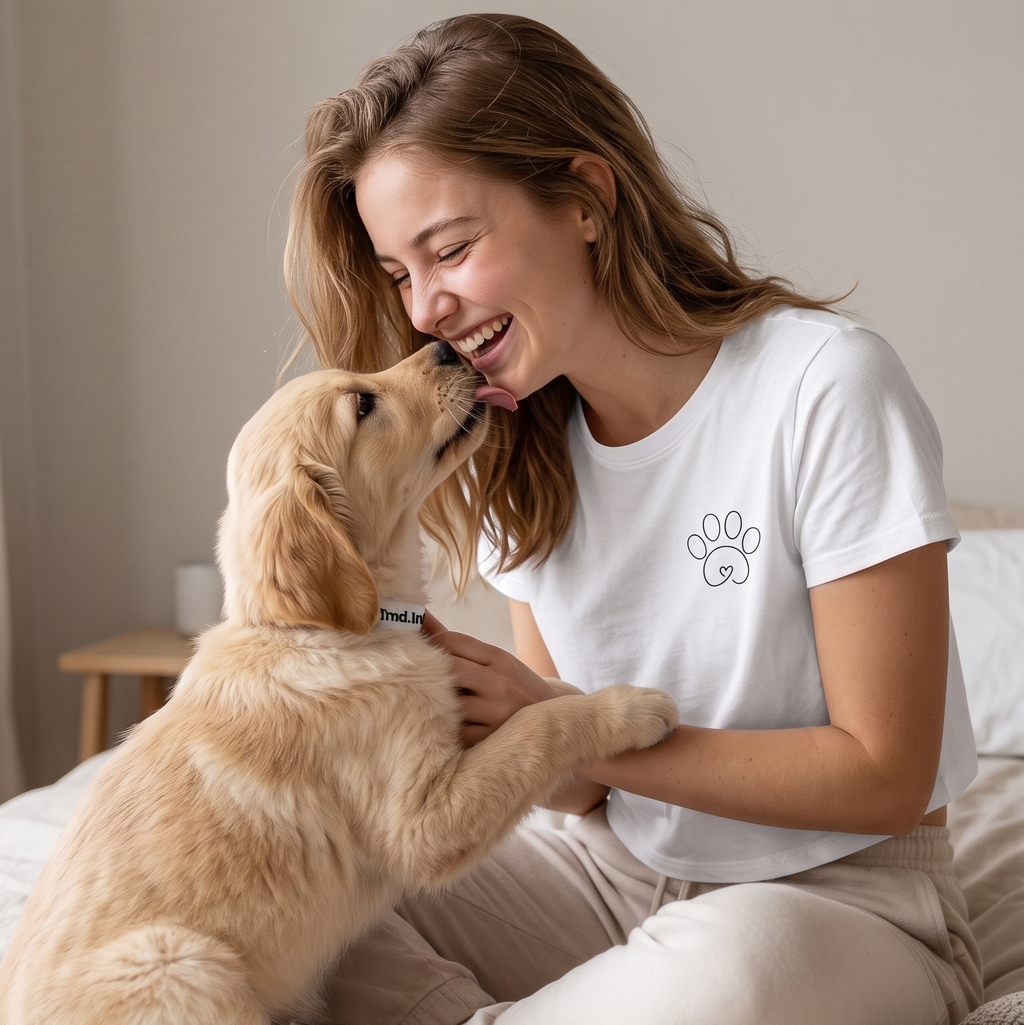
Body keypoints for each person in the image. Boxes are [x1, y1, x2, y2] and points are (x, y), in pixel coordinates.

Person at [284, 13, 982, 1024]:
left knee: (738, 967)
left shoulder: (821, 383)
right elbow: (583, 795)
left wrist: (565, 723)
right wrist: (481, 720)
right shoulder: (513, 449)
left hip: (843, 904)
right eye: (400, 274)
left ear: (586, 198)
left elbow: (885, 773)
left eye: (451, 249)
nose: (425, 308)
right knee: (307, 879)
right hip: (608, 882)